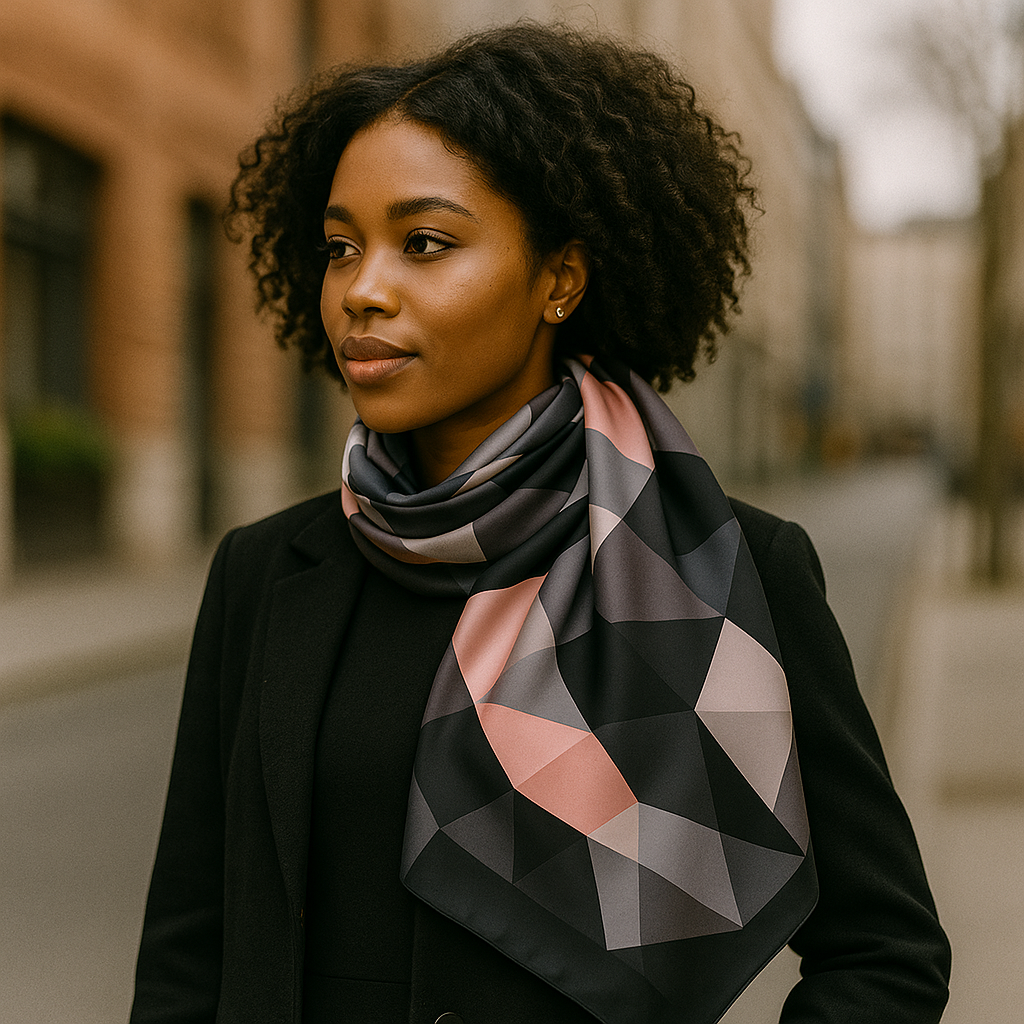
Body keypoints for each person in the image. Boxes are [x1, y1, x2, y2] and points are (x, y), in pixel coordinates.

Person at [130, 22, 951, 1024]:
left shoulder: (726, 567)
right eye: (341, 247)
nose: (363, 290)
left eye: (424, 242)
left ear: (558, 279)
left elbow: (883, 951)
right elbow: (187, 954)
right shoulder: (264, 573)